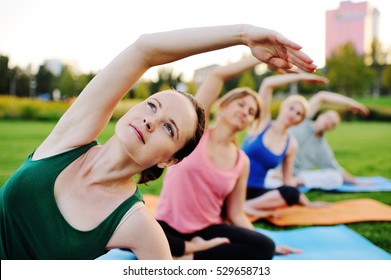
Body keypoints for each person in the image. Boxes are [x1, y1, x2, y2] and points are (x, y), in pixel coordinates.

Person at [0, 24, 317, 260]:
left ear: (170, 160)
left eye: (169, 129)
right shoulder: (71, 139)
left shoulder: (138, 225)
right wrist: (243, 35)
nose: (151, 120)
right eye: (152, 105)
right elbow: (144, 50)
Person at [155, 56, 301, 260]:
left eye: (251, 112)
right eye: (241, 104)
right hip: (168, 225)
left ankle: (185, 255)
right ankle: (185, 249)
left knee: (264, 246)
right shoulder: (195, 134)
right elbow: (217, 75)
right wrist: (261, 58)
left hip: (208, 229)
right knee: (135, 233)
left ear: (250, 122)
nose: (245, 112)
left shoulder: (242, 161)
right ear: (223, 106)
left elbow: (236, 214)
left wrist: (262, 240)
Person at [242, 73, 329, 219]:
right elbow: (267, 84)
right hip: (233, 184)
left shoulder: (291, 144)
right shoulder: (262, 123)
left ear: (300, 120)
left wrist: (307, 204)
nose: (293, 114)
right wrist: (300, 77)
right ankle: (242, 207)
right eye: (291, 108)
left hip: (256, 192)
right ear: (284, 107)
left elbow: (287, 181)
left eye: (298, 113)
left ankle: (245, 207)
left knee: (291, 192)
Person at [265, 90, 369, 190]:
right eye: (328, 117)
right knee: (268, 181)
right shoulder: (301, 120)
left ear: (331, 129)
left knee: (335, 177)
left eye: (332, 124)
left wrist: (357, 182)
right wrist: (351, 103)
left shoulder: (322, 147)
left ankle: (294, 181)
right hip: (275, 171)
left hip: (297, 176)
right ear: (320, 116)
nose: (329, 122)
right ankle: (285, 181)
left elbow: (336, 169)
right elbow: (322, 96)